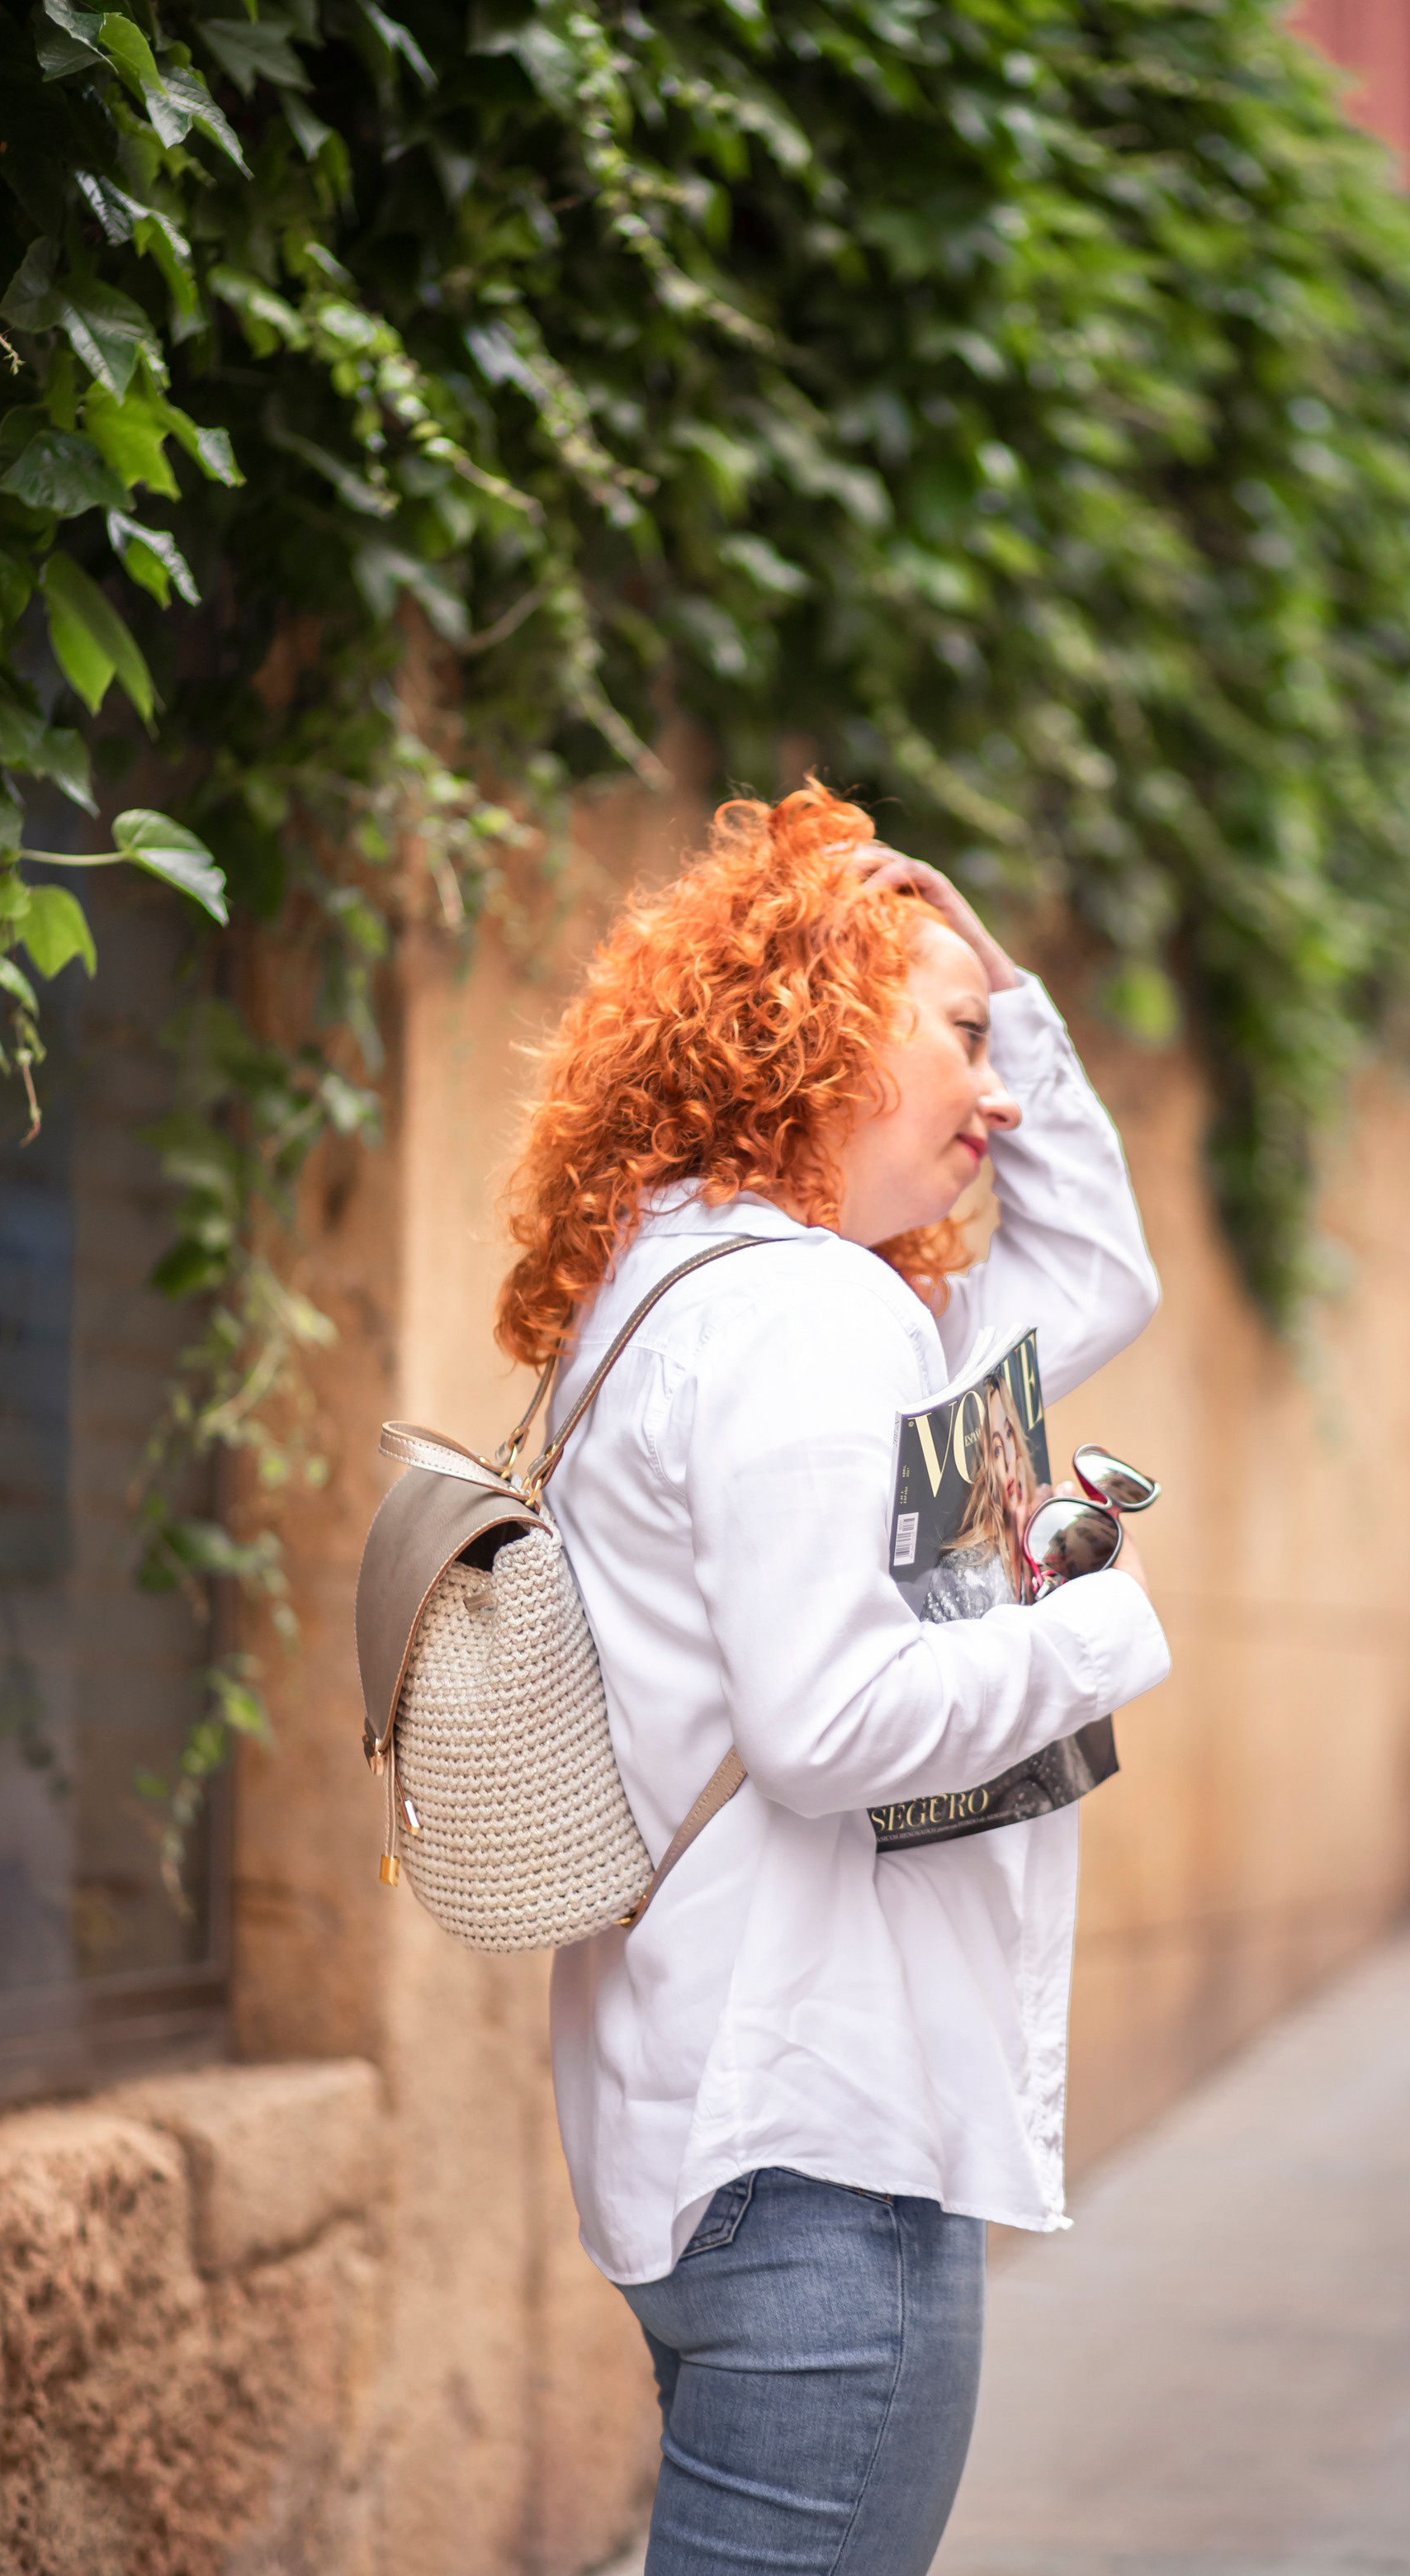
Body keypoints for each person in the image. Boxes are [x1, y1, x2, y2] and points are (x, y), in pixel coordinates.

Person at [496, 779, 1169, 2576]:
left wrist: (997, 979)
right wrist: (1097, 1632)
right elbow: (828, 1729)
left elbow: (1097, 1272)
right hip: (822, 2152)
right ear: (824, 1024)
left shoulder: (687, 1288)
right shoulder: (814, 1321)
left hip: (722, 2124)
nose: (1002, 1092)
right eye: (959, 1037)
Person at [922, 1377, 1045, 1618]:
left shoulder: (1041, 1540)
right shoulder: (962, 1577)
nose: (1011, 1457)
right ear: (980, 1471)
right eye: (997, 1449)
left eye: (1009, 1434)